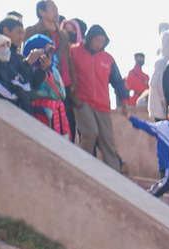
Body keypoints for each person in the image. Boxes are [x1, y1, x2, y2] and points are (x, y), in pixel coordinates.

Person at [66, 23, 127, 170]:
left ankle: (114, 174)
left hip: (103, 106)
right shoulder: (73, 52)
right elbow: (66, 71)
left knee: (108, 142)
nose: (99, 44)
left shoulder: (108, 59)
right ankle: (84, 166)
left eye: (102, 41)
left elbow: (118, 82)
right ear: (89, 39)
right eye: (96, 40)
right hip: (82, 102)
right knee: (90, 132)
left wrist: (124, 102)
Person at [20, 33, 68, 136]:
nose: (48, 54)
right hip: (40, 113)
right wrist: (42, 70)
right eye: (45, 50)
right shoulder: (28, 69)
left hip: (57, 113)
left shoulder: (54, 70)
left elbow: (62, 92)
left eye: (50, 50)